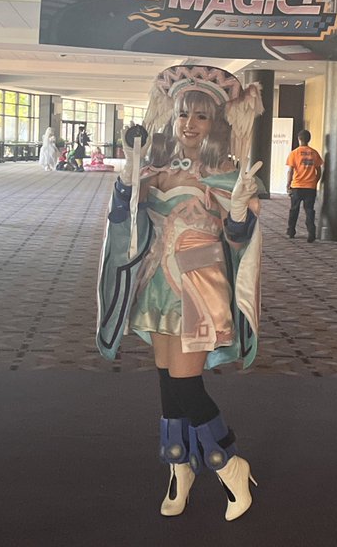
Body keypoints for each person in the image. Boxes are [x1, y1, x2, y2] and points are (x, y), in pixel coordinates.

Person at [96, 65, 264, 521]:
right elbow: (124, 218)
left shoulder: (227, 174)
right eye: (183, 114)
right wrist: (128, 180)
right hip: (157, 284)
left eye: (201, 116)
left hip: (199, 286)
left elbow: (238, 242)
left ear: (217, 124)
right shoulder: (157, 169)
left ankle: (228, 463)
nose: (189, 124)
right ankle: (179, 468)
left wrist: (239, 212)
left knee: (187, 383)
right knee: (169, 383)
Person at [286, 129, 323, 242]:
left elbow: (290, 171)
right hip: (310, 187)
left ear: (299, 139)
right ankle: (311, 231)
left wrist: (288, 184)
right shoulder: (314, 153)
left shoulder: (294, 153)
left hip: (297, 186)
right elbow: (319, 171)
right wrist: (315, 181)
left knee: (294, 209)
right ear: (309, 139)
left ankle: (291, 231)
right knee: (309, 210)